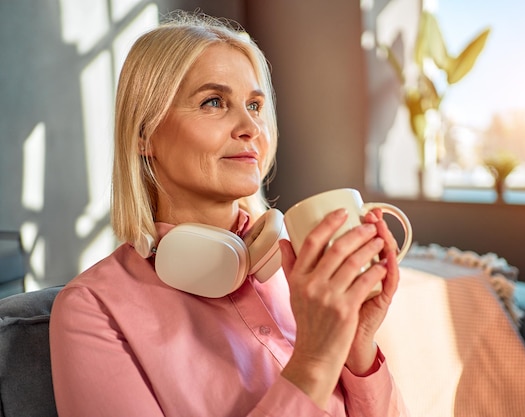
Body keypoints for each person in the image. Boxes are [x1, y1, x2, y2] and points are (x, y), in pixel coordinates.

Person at [49, 12, 409, 417]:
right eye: (214, 102)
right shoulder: (92, 309)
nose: (250, 126)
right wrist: (314, 361)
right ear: (144, 135)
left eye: (255, 105)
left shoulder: (304, 276)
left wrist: (358, 346)